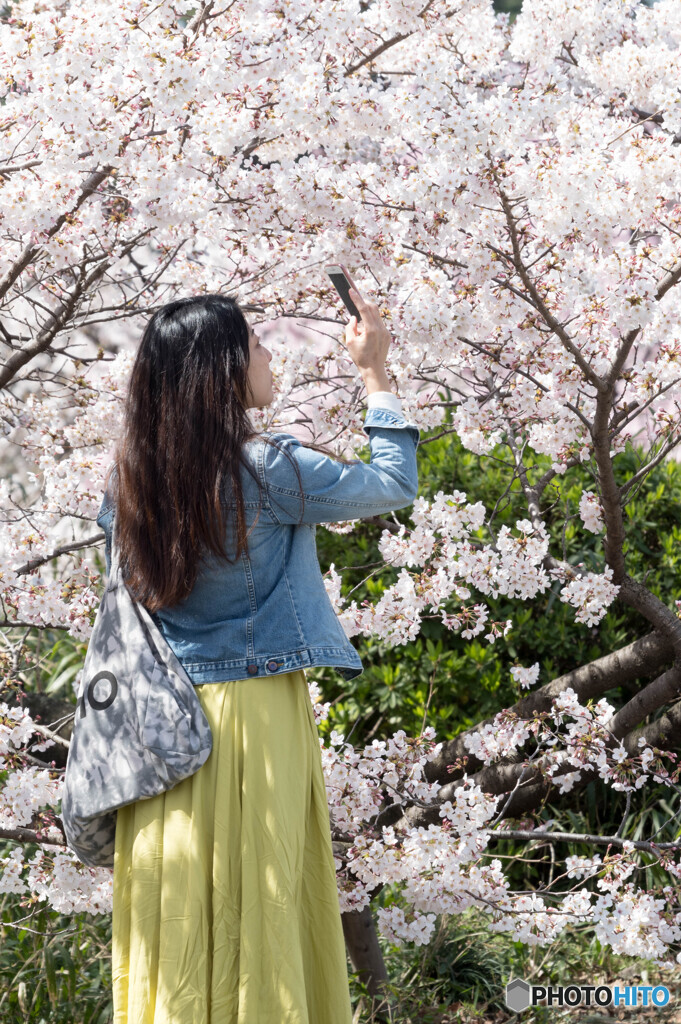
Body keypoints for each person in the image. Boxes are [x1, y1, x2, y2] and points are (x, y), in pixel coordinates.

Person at [96, 267, 420, 1024]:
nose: (270, 359)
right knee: (266, 897)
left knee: (176, 909)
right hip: (255, 719)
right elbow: (391, 482)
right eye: (256, 347)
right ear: (221, 372)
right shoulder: (268, 470)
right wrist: (374, 372)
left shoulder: (126, 486)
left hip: (161, 729)